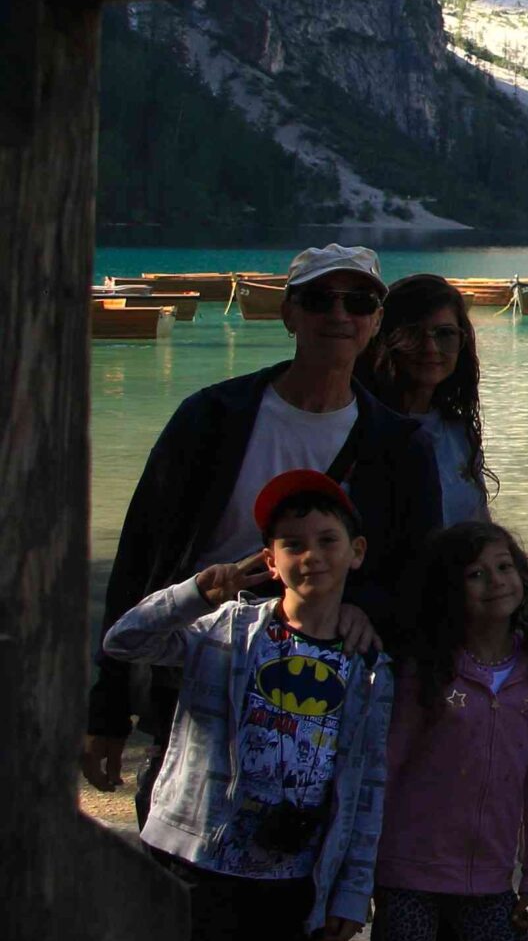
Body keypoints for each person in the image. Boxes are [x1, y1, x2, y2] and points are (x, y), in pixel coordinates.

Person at [87, 244, 437, 824]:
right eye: (320, 299)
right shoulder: (210, 419)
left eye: (359, 302)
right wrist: (107, 711)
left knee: (291, 862)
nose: (339, 315)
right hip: (197, 679)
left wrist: (364, 608)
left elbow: (418, 575)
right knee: (178, 857)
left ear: (376, 321)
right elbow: (141, 558)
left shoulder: (399, 447)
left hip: (315, 693)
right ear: (289, 314)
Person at [101, 470, 395, 941]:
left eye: (327, 540)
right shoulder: (224, 632)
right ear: (269, 560)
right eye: (293, 544)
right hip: (196, 863)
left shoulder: (372, 671)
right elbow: (123, 641)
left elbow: (367, 787)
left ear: (356, 552)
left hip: (291, 875)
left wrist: (352, 889)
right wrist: (194, 593)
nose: (312, 556)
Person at [369, 521, 528, 941]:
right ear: (449, 591)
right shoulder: (425, 672)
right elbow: (384, 769)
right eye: (475, 574)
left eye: (505, 567)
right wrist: (359, 867)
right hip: (407, 875)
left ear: (525, 580)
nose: (495, 581)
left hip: (489, 880)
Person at [358, 272, 492, 529]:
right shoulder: (361, 427)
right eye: (414, 333)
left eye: (445, 334)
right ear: (385, 338)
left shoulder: (460, 432)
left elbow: (478, 525)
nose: (430, 348)